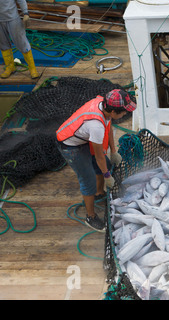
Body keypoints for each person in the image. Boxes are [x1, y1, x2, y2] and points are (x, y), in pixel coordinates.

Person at [56, 89, 136, 232]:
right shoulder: (95, 125)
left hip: (83, 139)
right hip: (70, 146)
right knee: (88, 180)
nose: (125, 114)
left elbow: (109, 128)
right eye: (124, 112)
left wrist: (113, 151)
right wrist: (107, 176)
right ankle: (90, 217)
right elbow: (99, 156)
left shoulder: (103, 105)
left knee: (104, 165)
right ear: (113, 111)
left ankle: (99, 192)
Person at [0, 0, 39, 79]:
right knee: (3, 44)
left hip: (13, 19)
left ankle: (32, 69)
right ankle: (10, 67)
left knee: (22, 43)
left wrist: (26, 13)